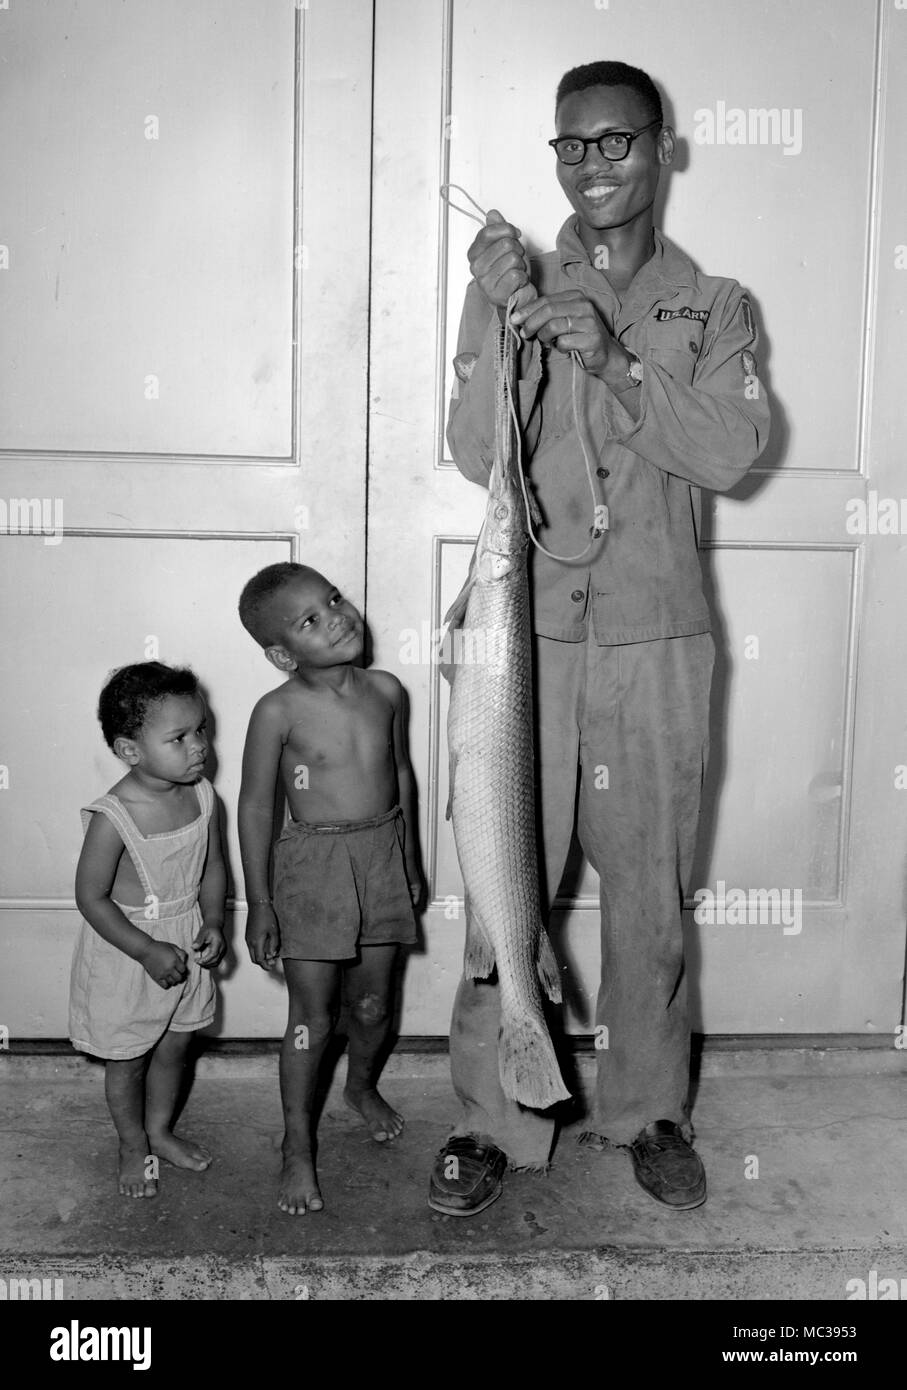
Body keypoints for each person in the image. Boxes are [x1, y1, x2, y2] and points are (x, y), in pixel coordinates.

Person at [429, 61, 771, 1216]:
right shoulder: (515, 282)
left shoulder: (715, 305)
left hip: (656, 635)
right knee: (499, 880)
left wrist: (615, 364)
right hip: (521, 635)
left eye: (616, 142)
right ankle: (493, 1118)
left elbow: (729, 453)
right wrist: (494, 309)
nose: (592, 166)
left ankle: (647, 1110)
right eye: (570, 146)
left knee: (650, 891)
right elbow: (479, 455)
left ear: (664, 149)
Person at [238, 562, 422, 1216]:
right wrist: (259, 901)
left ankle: (361, 1087)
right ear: (283, 653)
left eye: (333, 599)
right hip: (312, 867)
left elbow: (400, 774)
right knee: (311, 1020)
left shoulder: (386, 690)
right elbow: (257, 806)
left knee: (371, 1005)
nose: (337, 616)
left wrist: (409, 859)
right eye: (311, 619)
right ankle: (296, 1145)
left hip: (379, 855)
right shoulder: (277, 711)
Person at [70, 662, 226, 1199]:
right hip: (129, 951)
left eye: (200, 729)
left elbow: (211, 868)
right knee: (129, 1056)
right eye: (179, 738)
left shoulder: (204, 796)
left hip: (185, 941)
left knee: (175, 1047)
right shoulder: (116, 816)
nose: (199, 746)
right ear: (131, 750)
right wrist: (145, 949)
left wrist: (213, 919)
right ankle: (132, 1143)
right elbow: (89, 897)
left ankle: (160, 1130)